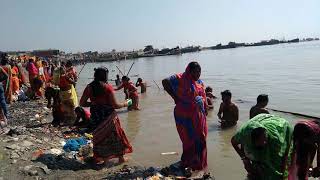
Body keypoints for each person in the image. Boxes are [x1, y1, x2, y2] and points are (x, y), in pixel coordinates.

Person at [79, 67, 133, 164]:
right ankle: (121, 159)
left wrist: (94, 104)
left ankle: (105, 161)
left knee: (101, 138)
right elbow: (115, 105)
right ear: (105, 76)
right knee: (116, 136)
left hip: (96, 116)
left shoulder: (89, 87)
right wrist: (125, 103)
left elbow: (82, 103)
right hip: (109, 116)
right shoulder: (107, 87)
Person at [162, 61, 208, 172]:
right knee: (188, 140)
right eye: (196, 72)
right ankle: (188, 162)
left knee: (201, 138)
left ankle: (199, 164)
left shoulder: (199, 82)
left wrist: (205, 108)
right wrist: (175, 97)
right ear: (189, 70)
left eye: (199, 72)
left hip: (198, 115)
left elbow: (203, 96)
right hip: (184, 116)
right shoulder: (180, 78)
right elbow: (165, 82)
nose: (198, 74)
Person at [231, 114, 293, 180]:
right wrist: (245, 160)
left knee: (275, 168)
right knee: (256, 163)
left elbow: (283, 160)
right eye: (261, 142)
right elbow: (233, 142)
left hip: (281, 126)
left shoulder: (276, 140)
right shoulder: (243, 134)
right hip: (259, 120)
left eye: (265, 140)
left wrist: (282, 175)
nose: (264, 143)